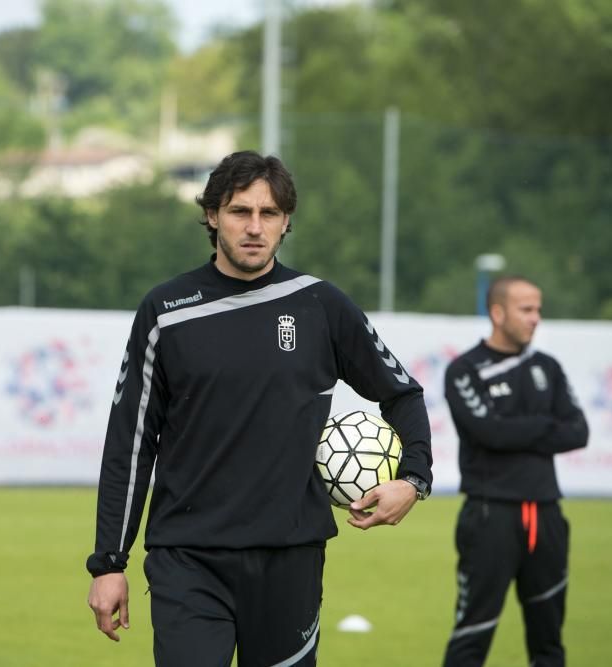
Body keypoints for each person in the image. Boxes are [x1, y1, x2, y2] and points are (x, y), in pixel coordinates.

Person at [85, 150, 433, 666]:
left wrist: (413, 479)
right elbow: (131, 444)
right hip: (189, 557)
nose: (254, 227)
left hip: (290, 557)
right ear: (211, 215)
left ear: (286, 221)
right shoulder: (165, 311)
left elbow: (402, 392)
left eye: (268, 214)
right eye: (239, 211)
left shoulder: (320, 305)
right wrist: (109, 562)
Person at [441, 276, 589, 667]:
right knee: (472, 637)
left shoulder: (548, 367)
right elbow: (486, 432)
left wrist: (514, 429)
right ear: (497, 312)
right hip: (491, 517)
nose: (536, 318)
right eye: (527, 309)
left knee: (549, 643)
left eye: (539, 309)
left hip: (547, 515)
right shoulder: (464, 370)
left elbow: (578, 432)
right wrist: (543, 425)